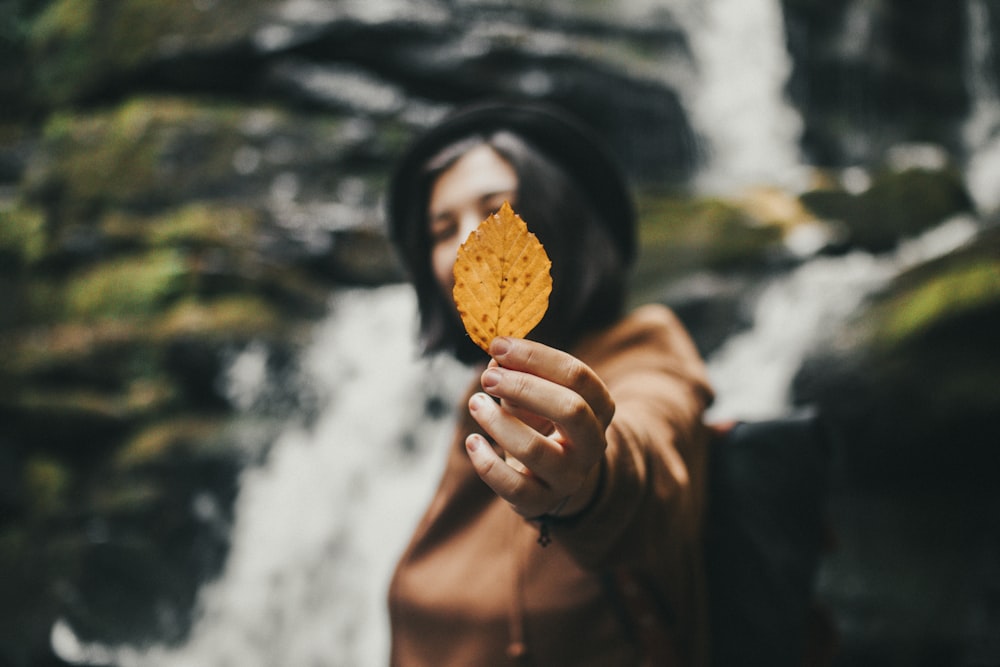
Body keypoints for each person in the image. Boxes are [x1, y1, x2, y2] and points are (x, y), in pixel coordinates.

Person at [385, 99, 715, 666]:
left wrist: (586, 481)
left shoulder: (646, 351)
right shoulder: (482, 397)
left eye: (495, 209)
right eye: (442, 229)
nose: (469, 242)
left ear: (562, 214)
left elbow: (645, 449)